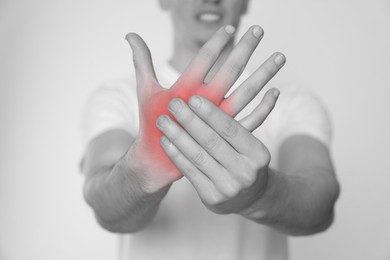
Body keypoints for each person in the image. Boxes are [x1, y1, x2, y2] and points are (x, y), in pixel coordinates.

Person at [80, 0, 340, 259]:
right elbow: (105, 207)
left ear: (246, 3)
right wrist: (141, 174)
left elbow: (321, 206)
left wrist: (261, 195)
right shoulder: (119, 98)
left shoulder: (292, 102)